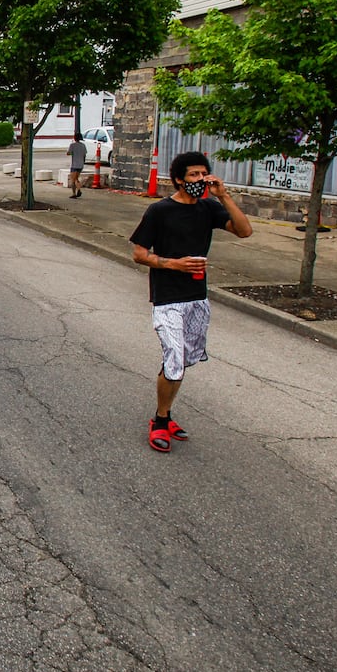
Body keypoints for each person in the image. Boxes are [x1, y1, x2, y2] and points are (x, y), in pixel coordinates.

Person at [129, 151, 253, 453]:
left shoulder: (209, 208)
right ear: (178, 179)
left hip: (197, 297)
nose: (200, 180)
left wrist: (224, 196)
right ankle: (159, 421)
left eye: (203, 174)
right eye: (193, 175)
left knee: (183, 361)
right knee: (173, 358)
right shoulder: (160, 211)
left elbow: (244, 231)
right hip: (168, 296)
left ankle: (167, 413)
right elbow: (139, 253)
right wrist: (174, 264)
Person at [68, 133, 89, 199]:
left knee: (73, 180)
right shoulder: (83, 145)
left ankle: (75, 192)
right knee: (76, 178)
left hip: (74, 164)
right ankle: (78, 189)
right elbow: (84, 154)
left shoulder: (72, 145)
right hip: (81, 164)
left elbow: (68, 153)